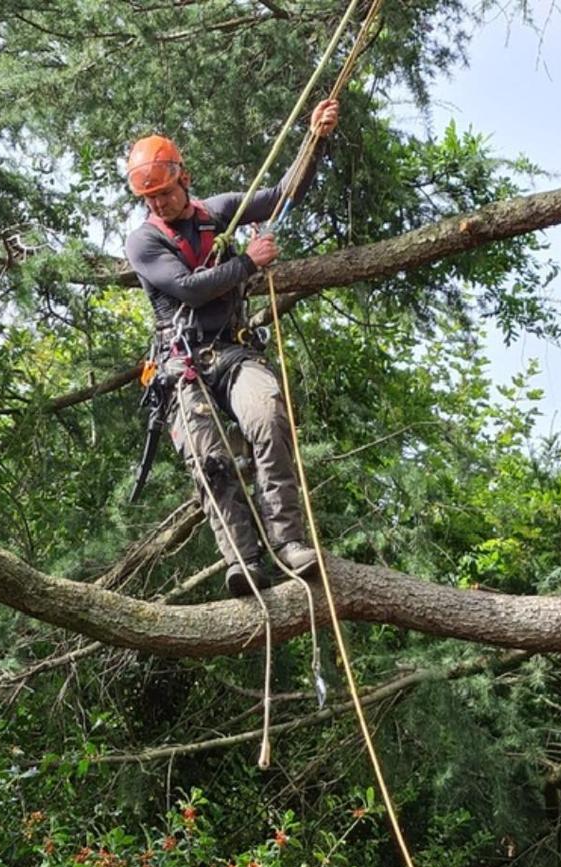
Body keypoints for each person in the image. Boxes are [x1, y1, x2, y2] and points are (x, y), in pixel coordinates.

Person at [125, 99, 339, 597]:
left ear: (184, 178)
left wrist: (315, 139)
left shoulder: (218, 212)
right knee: (209, 457)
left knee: (267, 417)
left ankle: (288, 541)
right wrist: (247, 261)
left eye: (165, 193)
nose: (159, 204)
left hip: (234, 352)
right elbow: (190, 289)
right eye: (150, 198)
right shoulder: (143, 242)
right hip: (182, 365)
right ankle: (243, 559)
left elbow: (284, 195)